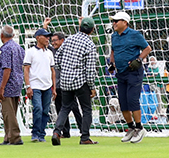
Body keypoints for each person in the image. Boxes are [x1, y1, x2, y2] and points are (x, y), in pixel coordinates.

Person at [53, 19, 99, 146]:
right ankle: (85, 137)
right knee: (86, 109)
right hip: (81, 81)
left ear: (79, 28)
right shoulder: (89, 44)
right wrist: (91, 86)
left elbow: (57, 57)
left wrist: (63, 70)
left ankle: (56, 132)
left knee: (65, 108)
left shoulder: (69, 40)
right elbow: (90, 69)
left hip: (65, 80)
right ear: (92, 30)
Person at [107, 11, 151, 143]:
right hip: (120, 72)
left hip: (133, 72)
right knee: (123, 102)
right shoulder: (114, 36)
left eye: (116, 21)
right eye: (113, 21)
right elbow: (113, 50)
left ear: (125, 22)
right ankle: (131, 127)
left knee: (132, 100)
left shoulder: (135, 34)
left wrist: (139, 59)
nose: (114, 23)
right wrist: (112, 63)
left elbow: (147, 48)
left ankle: (139, 128)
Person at [0, 25, 25, 145]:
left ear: (2, 35)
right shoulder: (18, 48)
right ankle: (8, 137)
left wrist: (1, 88)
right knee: (11, 111)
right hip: (17, 83)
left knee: (8, 113)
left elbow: (7, 69)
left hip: (8, 84)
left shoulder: (6, 49)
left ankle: (15, 137)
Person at [24, 28, 56, 142]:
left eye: (48, 37)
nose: (48, 39)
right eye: (45, 36)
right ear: (38, 38)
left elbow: (52, 71)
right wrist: (28, 86)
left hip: (47, 86)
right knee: (38, 108)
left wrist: (54, 88)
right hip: (35, 85)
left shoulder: (49, 53)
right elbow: (26, 69)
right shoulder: (30, 52)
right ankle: (35, 133)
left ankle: (42, 133)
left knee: (45, 111)